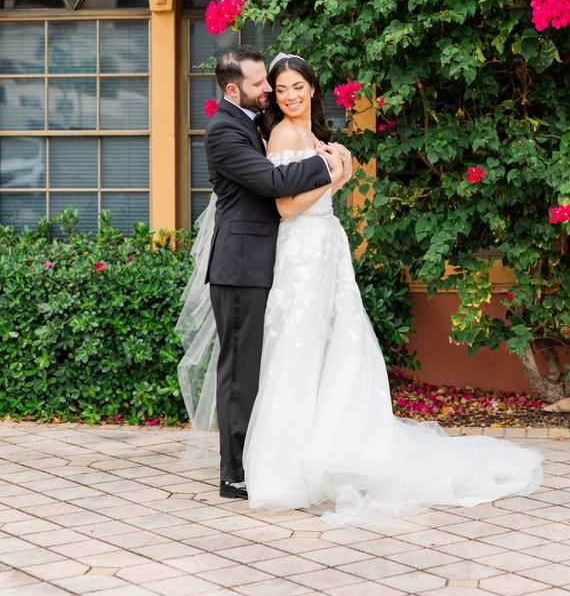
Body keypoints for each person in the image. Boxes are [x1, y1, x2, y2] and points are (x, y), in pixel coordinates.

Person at [178, 52, 543, 523]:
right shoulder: (241, 132)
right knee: (260, 362)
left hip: (315, 251)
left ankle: (317, 453)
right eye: (271, 86)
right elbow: (279, 196)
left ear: (312, 88)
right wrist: (335, 173)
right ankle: (240, 471)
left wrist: (336, 171)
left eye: (292, 87)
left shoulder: (275, 128)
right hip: (266, 258)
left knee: (325, 352)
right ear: (236, 89)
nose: (278, 94)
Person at [179, 44, 343, 500]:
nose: (269, 89)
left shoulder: (253, 123)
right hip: (239, 267)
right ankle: (233, 473)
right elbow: (273, 184)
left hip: (268, 262)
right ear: (234, 89)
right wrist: (330, 163)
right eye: (259, 84)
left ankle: (261, 457)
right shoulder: (222, 132)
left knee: (264, 367)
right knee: (239, 372)